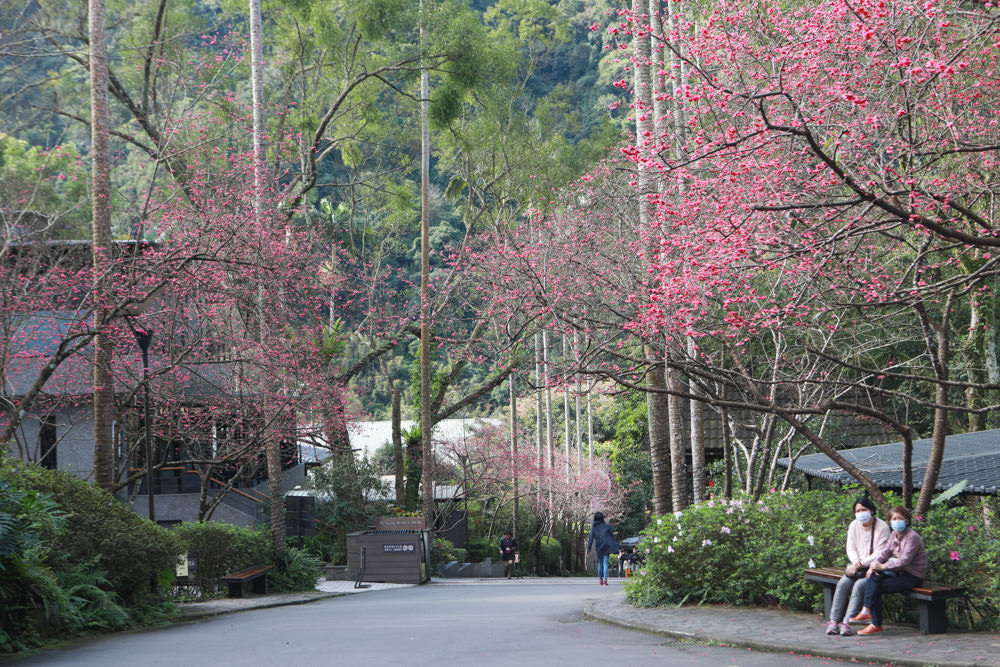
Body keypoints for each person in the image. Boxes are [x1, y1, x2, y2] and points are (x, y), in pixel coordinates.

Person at [849, 506, 928, 636]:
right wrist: (873, 565)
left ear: (907, 520)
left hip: (913, 576)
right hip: (899, 572)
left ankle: (874, 622)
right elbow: (885, 553)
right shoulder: (894, 534)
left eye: (900, 518)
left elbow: (904, 561)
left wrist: (882, 567)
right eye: (894, 519)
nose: (897, 521)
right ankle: (866, 612)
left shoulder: (912, 537)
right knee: (873, 577)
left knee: (876, 586)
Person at [824, 497, 889, 636]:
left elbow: (880, 552)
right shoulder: (854, 525)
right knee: (843, 583)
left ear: (871, 510)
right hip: (857, 567)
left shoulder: (882, 527)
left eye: (863, 510)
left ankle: (847, 622)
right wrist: (855, 562)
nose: (861, 513)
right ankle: (833, 621)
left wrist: (860, 563)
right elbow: (850, 547)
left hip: (875, 569)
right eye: (857, 511)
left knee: (859, 586)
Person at [586, 511, 619, 585]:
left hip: (599, 546)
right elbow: (613, 537)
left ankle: (600, 580)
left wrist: (589, 549)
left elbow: (591, 539)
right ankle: (605, 580)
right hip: (607, 546)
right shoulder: (607, 526)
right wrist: (615, 547)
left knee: (600, 564)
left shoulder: (594, 528)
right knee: (606, 563)